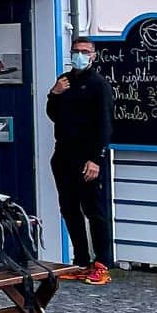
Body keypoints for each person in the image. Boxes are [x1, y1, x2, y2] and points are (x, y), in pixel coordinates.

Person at [47, 35, 113, 283]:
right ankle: (81, 260)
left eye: (85, 51)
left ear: (93, 56)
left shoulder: (98, 85)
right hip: (63, 153)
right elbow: (53, 114)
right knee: (70, 208)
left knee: (94, 210)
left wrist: (96, 158)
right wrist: (54, 94)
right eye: (76, 50)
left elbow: (104, 124)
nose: (79, 55)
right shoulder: (64, 81)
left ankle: (102, 263)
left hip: (88, 157)